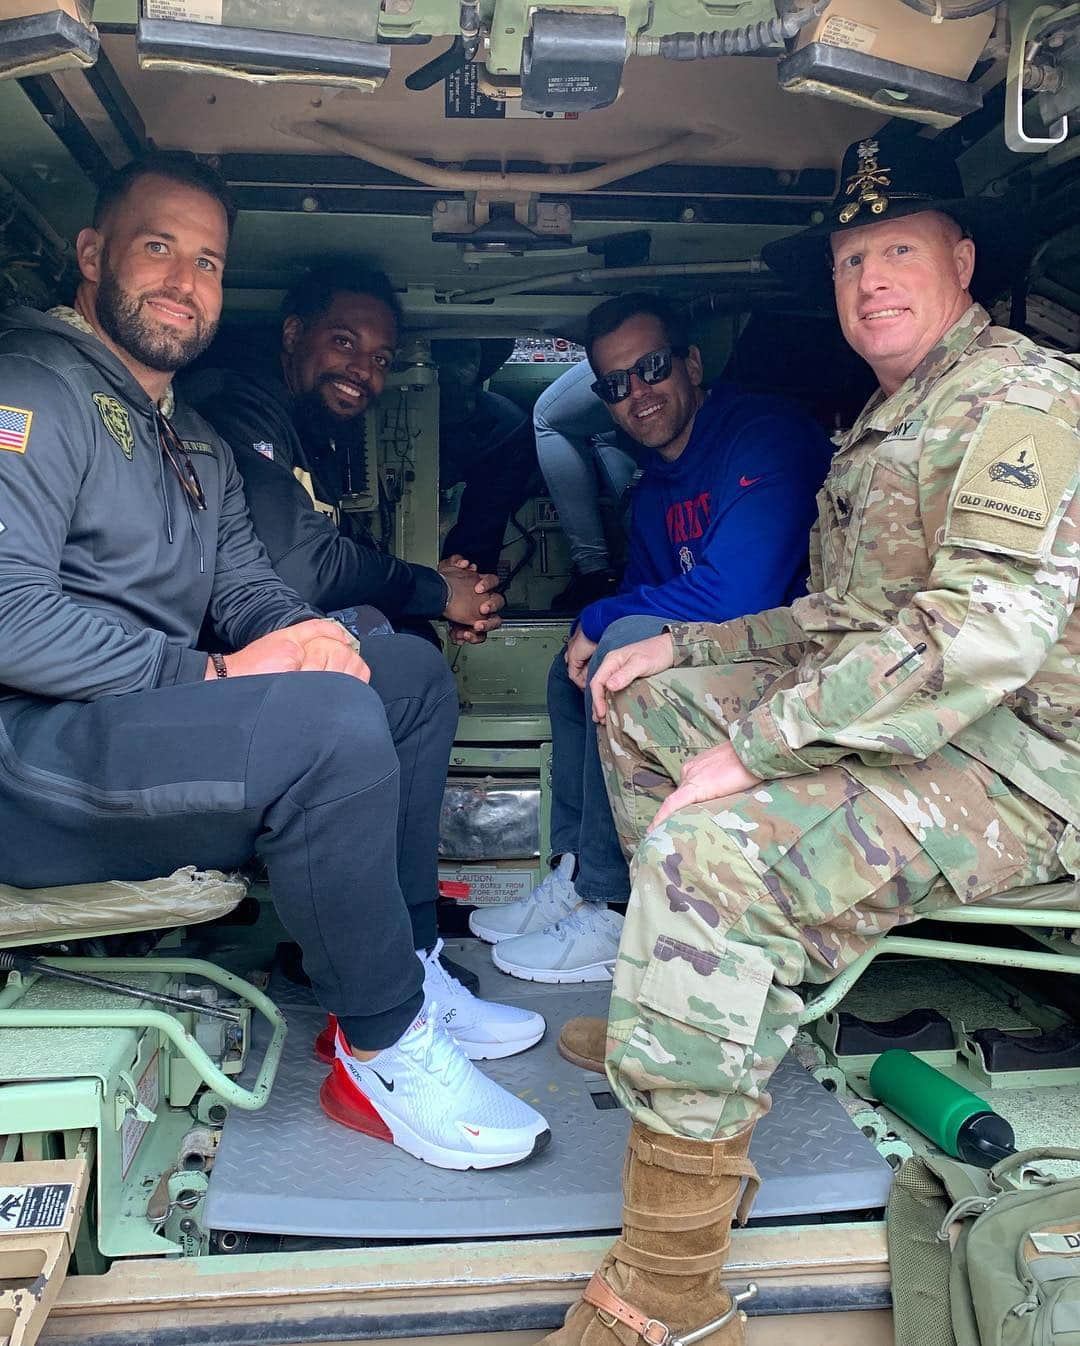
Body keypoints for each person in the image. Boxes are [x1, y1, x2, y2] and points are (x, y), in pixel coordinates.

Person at [539, 133, 1079, 1346]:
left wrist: (761, 746)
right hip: (923, 725)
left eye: (897, 251)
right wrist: (686, 650)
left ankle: (667, 1291)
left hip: (1028, 764)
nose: (870, 281)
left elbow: (976, 638)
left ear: (963, 261)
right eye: (849, 261)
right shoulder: (899, 412)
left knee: (717, 851)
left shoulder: (1024, 401)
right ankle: (694, 1015)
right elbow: (847, 615)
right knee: (639, 703)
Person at [0, 151, 549, 1172]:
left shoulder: (192, 437)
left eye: (207, 261)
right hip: (33, 754)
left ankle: (414, 960)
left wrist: (317, 639)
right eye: (158, 247)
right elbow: (8, 615)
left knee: (402, 675)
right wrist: (212, 677)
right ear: (92, 253)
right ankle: (380, 1045)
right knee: (323, 726)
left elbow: (247, 586)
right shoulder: (33, 388)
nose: (183, 280)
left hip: (126, 725)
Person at [470, 293, 832, 986]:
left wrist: (601, 622)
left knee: (614, 648)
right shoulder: (655, 488)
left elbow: (740, 594)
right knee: (571, 668)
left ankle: (614, 905)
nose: (636, 394)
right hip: (723, 656)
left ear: (691, 364)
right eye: (614, 384)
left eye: (652, 368)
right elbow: (644, 589)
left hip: (799, 658)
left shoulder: (761, 436)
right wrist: (598, 627)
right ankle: (576, 872)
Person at [185, 262, 505, 646]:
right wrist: (440, 591)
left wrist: (443, 592)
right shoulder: (236, 406)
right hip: (212, 647)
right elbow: (302, 567)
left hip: (275, 630)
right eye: (344, 342)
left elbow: (335, 542)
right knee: (410, 654)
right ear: (293, 334)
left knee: (414, 639)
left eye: (380, 360)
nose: (361, 370)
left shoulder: (315, 422)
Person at [533, 358, 639, 612]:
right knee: (601, 431)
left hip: (653, 345)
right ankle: (638, 560)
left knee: (547, 418)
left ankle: (593, 570)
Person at [433, 338, 538, 576]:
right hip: (411, 409)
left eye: (469, 356)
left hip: (482, 434)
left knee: (483, 525)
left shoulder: (509, 426)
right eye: (450, 357)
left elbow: (489, 514)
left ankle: (468, 581)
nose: (460, 366)